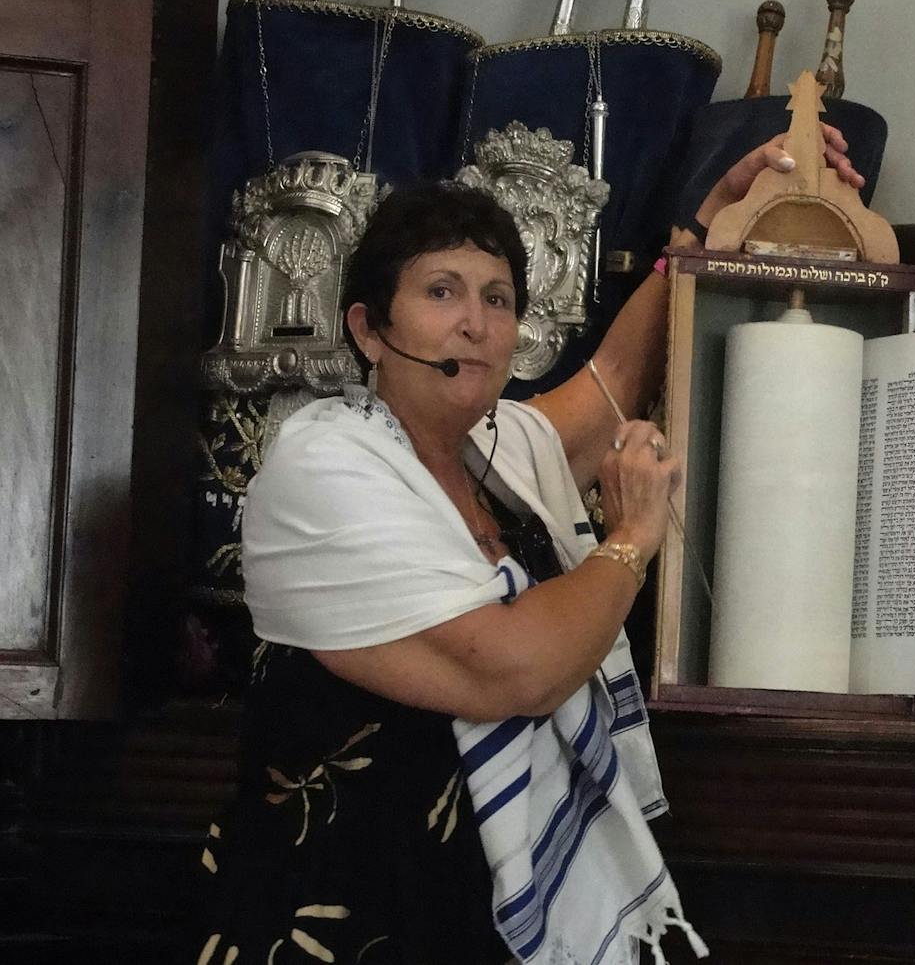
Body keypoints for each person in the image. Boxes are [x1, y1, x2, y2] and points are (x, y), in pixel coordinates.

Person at [194, 129, 864, 965]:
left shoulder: (498, 444)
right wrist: (631, 537)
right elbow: (515, 670)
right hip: (346, 904)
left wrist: (703, 229)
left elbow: (613, 381)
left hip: (473, 912)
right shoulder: (324, 461)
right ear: (369, 329)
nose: (475, 324)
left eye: (499, 299)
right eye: (442, 292)